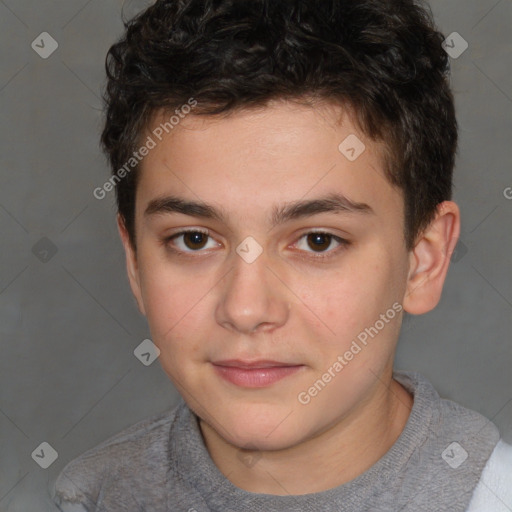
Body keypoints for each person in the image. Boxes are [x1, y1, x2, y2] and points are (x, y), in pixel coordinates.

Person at [52, 0, 512, 510]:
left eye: (318, 241)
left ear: (423, 261)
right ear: (135, 262)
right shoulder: (93, 496)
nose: (246, 310)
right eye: (195, 239)